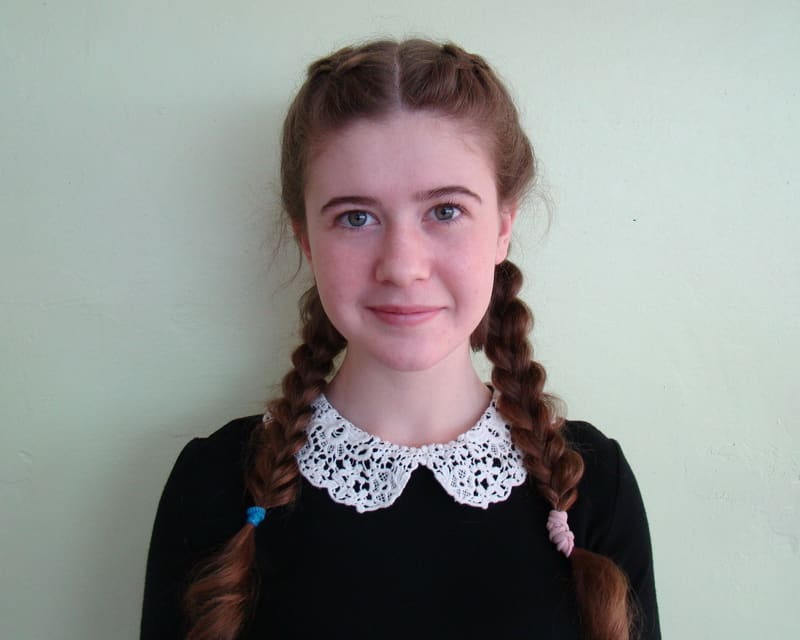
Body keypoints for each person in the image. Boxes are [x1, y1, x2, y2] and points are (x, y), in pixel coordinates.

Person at [141, 39, 660, 640]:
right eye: (356, 217)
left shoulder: (592, 486)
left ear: (503, 227)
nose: (403, 266)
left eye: (445, 211)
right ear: (306, 239)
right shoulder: (214, 485)